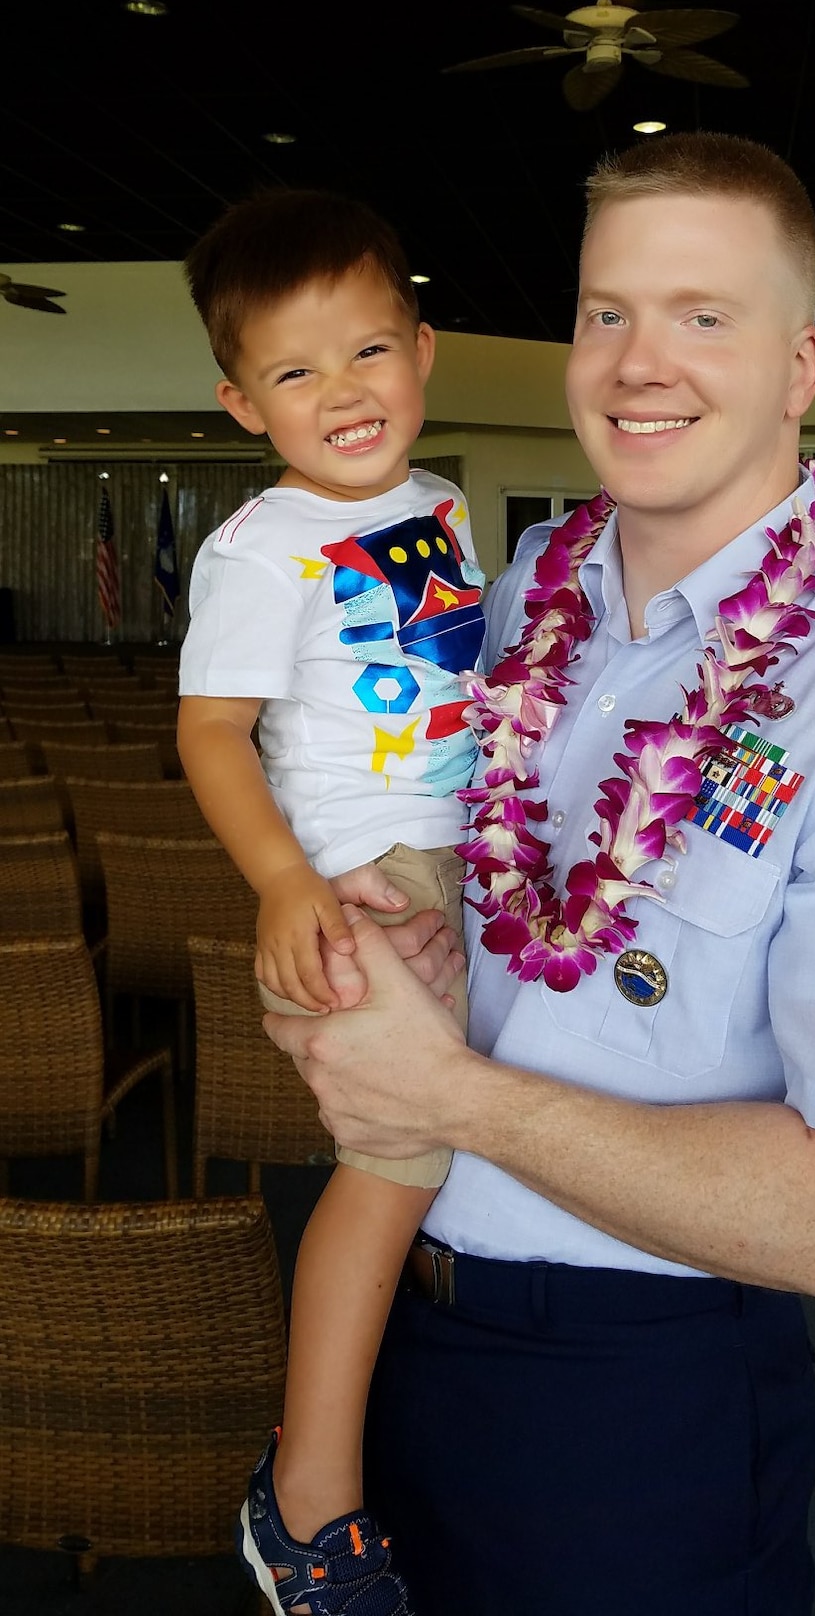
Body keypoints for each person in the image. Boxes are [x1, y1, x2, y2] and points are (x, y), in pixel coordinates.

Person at [265, 134, 815, 1616]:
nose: (639, 362)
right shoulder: (503, 607)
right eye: (604, 312)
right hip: (396, 1328)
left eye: (703, 316)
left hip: (631, 1401)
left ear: (799, 364)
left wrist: (445, 1098)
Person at [177, 188, 485, 1616]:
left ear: (421, 352)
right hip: (357, 887)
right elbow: (207, 734)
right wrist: (286, 883)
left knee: (461, 1157)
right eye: (295, 372)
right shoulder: (261, 547)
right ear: (244, 404)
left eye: (365, 352)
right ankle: (305, 1502)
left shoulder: (438, 506)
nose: (341, 392)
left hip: (455, 868)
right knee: (388, 1174)